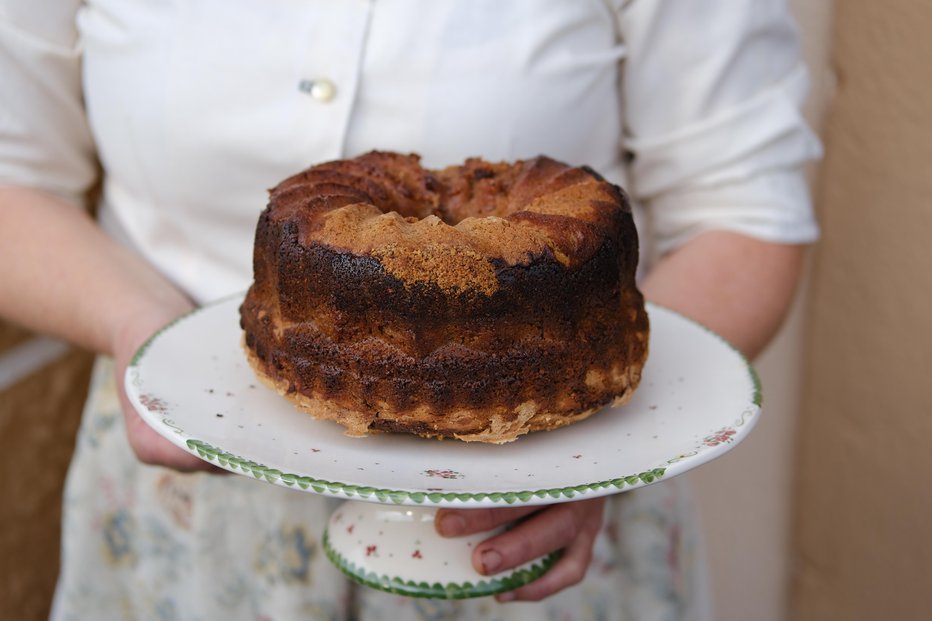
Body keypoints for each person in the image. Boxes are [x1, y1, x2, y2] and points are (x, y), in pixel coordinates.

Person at [0, 1, 820, 619]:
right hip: (186, 527)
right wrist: (142, 328)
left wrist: (596, 459)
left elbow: (744, 206)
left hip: (545, 532)